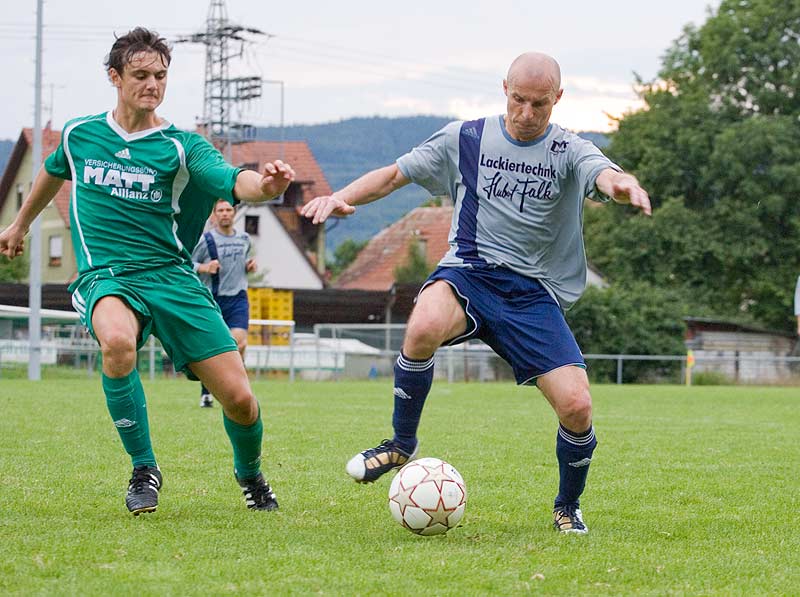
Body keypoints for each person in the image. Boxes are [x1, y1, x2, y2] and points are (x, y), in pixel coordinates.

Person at [301, 52, 651, 534]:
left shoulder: (569, 149)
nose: (526, 113)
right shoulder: (465, 137)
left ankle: (567, 507)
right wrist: (340, 196)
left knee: (577, 406)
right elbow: (395, 174)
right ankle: (401, 445)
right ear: (504, 88)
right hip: (469, 273)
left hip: (532, 293)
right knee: (423, 325)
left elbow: (604, 173)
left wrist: (624, 186)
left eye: (540, 104)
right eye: (518, 100)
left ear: (558, 98)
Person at [0, 28, 296, 515]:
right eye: (140, 75)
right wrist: (19, 223)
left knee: (240, 399)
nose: (152, 84)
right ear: (114, 77)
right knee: (117, 342)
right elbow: (52, 169)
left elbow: (230, 179)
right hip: (107, 276)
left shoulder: (181, 146)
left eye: (160, 75)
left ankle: (250, 475)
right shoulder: (80, 135)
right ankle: (144, 468)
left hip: (172, 278)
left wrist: (265, 187)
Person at [192, 199, 257, 407]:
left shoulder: (244, 239)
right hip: (214, 298)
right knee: (216, 348)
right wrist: (204, 268)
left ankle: (238, 388)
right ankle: (207, 391)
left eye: (228, 209)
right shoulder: (206, 240)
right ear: (214, 215)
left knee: (239, 342)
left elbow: (243, 262)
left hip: (238, 298)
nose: (225, 213)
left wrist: (249, 265)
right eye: (220, 210)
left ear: (234, 213)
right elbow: (186, 263)